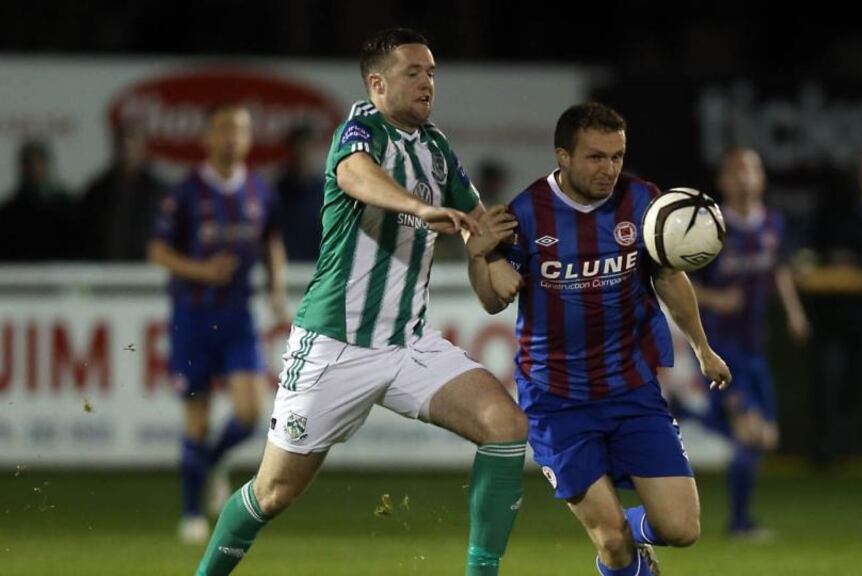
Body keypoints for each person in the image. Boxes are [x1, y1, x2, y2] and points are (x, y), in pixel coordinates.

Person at [193, 28, 528, 576]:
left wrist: (490, 261)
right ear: (377, 83)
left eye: (432, 73)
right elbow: (355, 176)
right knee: (273, 494)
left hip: (407, 343)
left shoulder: (437, 148)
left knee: (505, 425)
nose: (427, 83)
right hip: (334, 344)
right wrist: (419, 210)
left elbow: (476, 226)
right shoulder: (358, 131)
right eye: (413, 73)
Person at [482, 102, 731, 576]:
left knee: (682, 529)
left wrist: (702, 348)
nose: (609, 168)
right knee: (611, 542)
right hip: (557, 401)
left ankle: (633, 530)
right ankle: (627, 554)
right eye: (596, 157)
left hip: (630, 390)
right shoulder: (528, 213)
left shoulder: (643, 202)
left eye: (617, 156)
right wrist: (482, 259)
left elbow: (669, 277)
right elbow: (493, 301)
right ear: (564, 156)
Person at [148, 103, 289, 544]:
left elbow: (272, 242)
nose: (233, 137)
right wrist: (202, 271)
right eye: (225, 129)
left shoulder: (260, 192)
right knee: (198, 418)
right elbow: (158, 250)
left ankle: (209, 464)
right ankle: (191, 514)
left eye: (241, 130)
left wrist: (277, 289)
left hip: (238, 317)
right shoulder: (185, 192)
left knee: (250, 415)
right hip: (192, 318)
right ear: (207, 137)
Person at [676, 147, 810, 538]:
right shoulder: (709, 227)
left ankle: (682, 410)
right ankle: (740, 523)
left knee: (766, 437)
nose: (746, 177)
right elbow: (680, 283)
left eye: (753, 168)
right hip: (720, 347)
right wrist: (718, 300)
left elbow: (778, 270)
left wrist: (794, 313)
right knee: (749, 433)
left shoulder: (772, 223)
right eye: (737, 170)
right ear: (723, 180)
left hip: (755, 346)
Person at [80, 122, 166, 261]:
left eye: (132, 140)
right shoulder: (96, 191)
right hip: (102, 274)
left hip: (146, 274)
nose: (126, 147)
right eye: (121, 142)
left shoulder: (158, 192)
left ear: (143, 147)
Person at [0, 138, 73, 261]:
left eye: (38, 163)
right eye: (29, 164)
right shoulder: (9, 212)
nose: (34, 169)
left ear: (46, 165)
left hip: (58, 273)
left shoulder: (65, 207)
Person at [275, 123, 325, 261]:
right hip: (286, 270)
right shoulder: (275, 192)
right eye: (298, 151)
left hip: (317, 271)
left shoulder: (327, 193)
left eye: (308, 150)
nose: (303, 156)